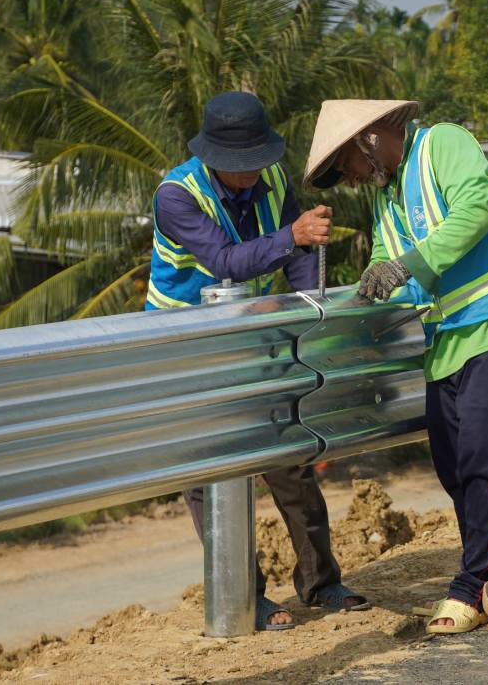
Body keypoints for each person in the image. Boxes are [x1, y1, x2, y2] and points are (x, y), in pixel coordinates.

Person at [303, 99, 488, 635]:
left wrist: (406, 266)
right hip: (446, 340)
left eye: (343, 162)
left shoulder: (443, 143)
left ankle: (474, 584)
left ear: (369, 138)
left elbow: (475, 211)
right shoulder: (386, 195)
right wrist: (374, 276)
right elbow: (386, 257)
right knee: (454, 465)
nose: (346, 177)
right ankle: (486, 577)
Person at [147, 91, 368, 630]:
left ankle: (322, 582)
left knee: (288, 456)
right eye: (239, 167)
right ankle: (246, 594)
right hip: (189, 344)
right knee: (210, 472)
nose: (251, 175)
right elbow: (223, 262)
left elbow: (294, 261)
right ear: (212, 156)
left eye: (256, 164)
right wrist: (291, 236)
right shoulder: (176, 196)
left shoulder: (272, 185)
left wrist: (312, 305)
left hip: (253, 334)